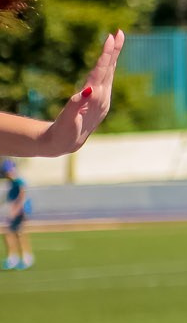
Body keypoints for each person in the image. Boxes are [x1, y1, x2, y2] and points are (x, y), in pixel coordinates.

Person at [0, 30, 125, 270]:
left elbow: (40, 148)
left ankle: (22, 258)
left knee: (14, 233)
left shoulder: (16, 179)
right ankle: (19, 257)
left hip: (20, 208)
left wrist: (49, 140)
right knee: (12, 233)